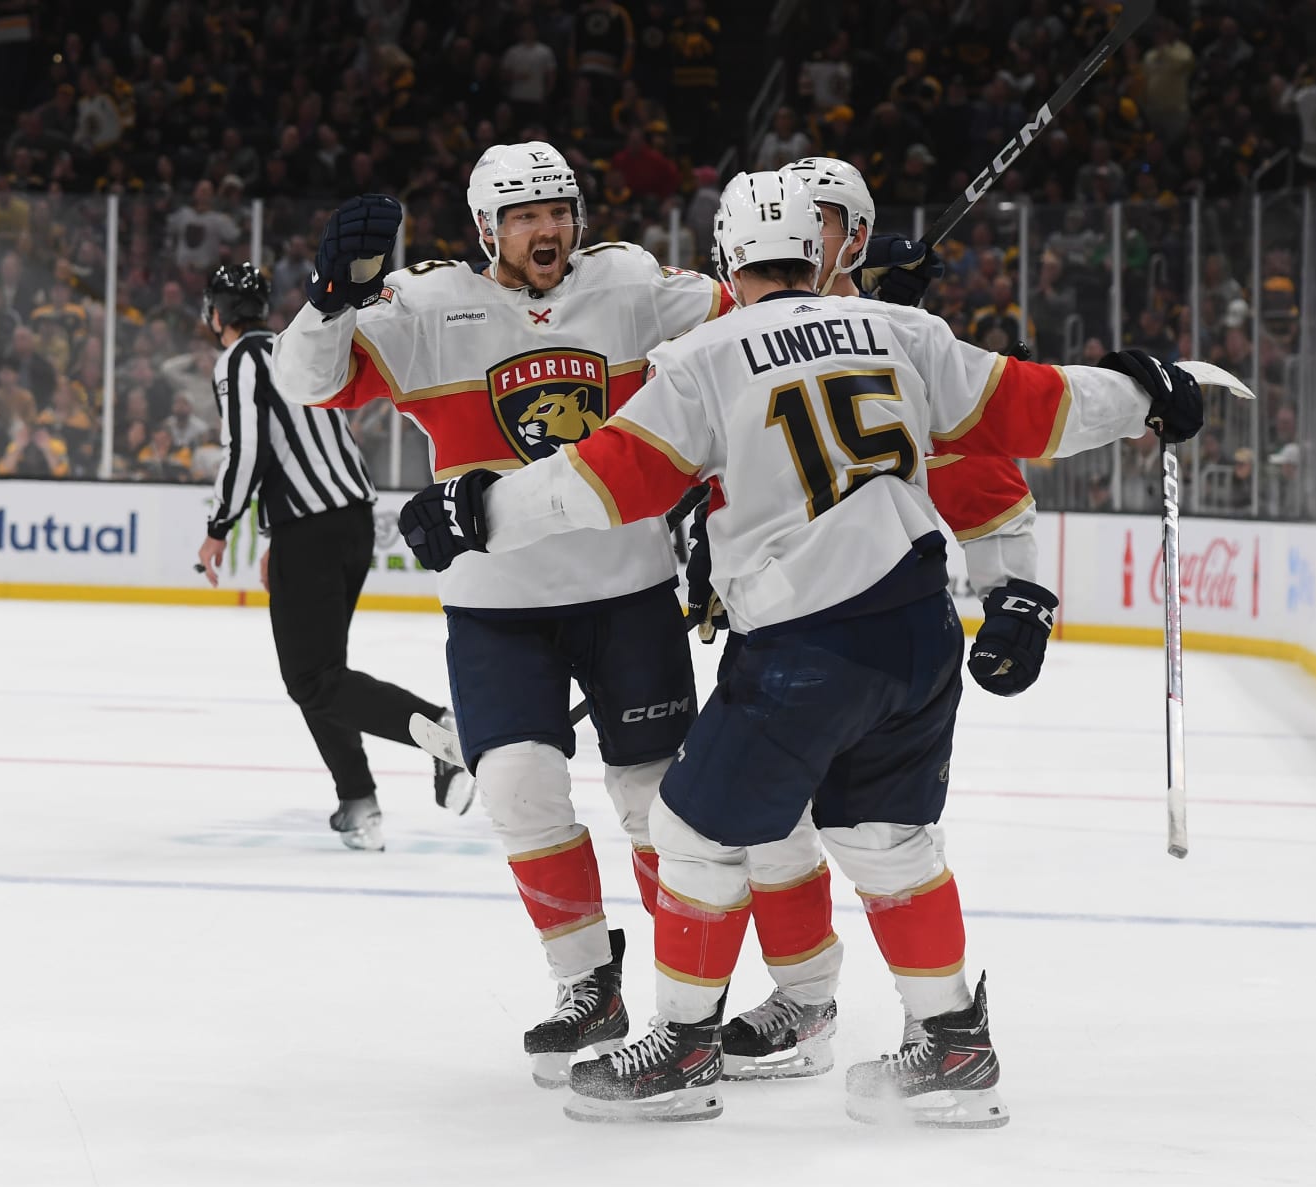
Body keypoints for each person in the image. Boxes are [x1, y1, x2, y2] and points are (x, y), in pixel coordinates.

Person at [398, 169, 1203, 1125]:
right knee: (888, 840)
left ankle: (685, 1051)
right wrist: (1144, 390)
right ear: (821, 252)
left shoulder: (703, 355)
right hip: (920, 633)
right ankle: (952, 1046)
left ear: (730, 260)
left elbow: (609, 482)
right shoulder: (907, 332)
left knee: (692, 833)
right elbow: (1038, 407)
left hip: (805, 644)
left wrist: (478, 508)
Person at [271, 143, 735, 1087]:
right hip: (495, 608)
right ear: (488, 229)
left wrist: (850, 283)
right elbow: (305, 382)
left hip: (629, 592)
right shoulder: (429, 305)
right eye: (525, 215)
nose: (548, 229)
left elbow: (759, 315)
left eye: (559, 208)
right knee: (522, 793)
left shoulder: (634, 283)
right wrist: (327, 296)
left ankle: (693, 1005)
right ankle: (585, 986)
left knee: (654, 807)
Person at [667, 155, 1059, 1082]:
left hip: (860, 631)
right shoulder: (729, 327)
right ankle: (809, 1004)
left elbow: (989, 484)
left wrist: (1019, 591)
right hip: (776, 625)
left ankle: (902, 1028)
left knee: (854, 835)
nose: (820, 231)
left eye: (835, 216)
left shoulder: (900, 344)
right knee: (773, 833)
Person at [193, 263, 473, 852]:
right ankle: (357, 799)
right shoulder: (295, 348)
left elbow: (248, 451)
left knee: (313, 678)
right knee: (323, 674)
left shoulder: (240, 359)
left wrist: (220, 527)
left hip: (311, 531)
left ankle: (440, 732)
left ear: (216, 312)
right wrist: (275, 535)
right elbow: (307, 445)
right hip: (350, 523)